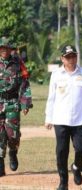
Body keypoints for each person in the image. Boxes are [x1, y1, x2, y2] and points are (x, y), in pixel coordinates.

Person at [45, 45, 82, 190]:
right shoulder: (56, 75)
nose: (71, 59)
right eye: (68, 57)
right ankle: (63, 181)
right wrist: (48, 118)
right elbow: (51, 98)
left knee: (81, 149)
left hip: (79, 119)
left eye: (74, 56)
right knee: (62, 151)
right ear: (62, 58)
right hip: (60, 120)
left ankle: (76, 166)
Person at [0, 36, 32, 177]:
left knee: (12, 135)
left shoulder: (18, 62)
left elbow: (25, 82)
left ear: (10, 49)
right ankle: (0, 164)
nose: (4, 51)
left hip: (13, 102)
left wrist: (25, 103)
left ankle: (13, 152)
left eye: (6, 48)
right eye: (1, 48)